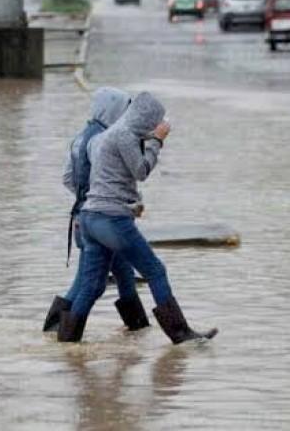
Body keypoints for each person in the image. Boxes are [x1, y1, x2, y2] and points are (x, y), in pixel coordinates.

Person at [58, 91, 218, 344]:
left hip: (90, 217)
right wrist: (157, 141)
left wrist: (130, 203)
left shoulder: (103, 137)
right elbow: (141, 171)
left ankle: (66, 342)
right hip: (110, 220)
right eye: (153, 122)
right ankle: (180, 334)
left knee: (91, 286)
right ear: (145, 119)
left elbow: (111, 181)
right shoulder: (123, 135)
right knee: (155, 270)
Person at [43, 88, 151, 335]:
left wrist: (84, 200)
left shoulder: (80, 137)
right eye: (123, 109)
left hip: (83, 217)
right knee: (89, 282)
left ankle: (138, 331)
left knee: (123, 273)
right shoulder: (104, 139)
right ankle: (57, 330)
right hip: (103, 219)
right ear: (113, 109)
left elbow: (67, 178)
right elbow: (114, 180)